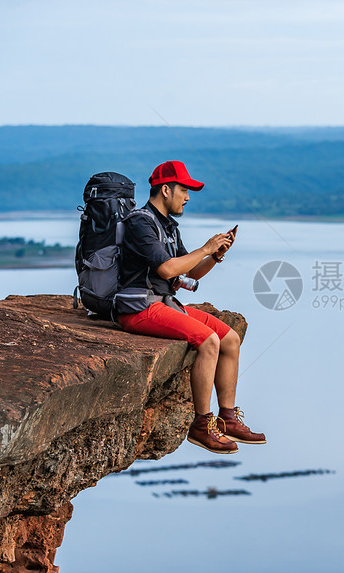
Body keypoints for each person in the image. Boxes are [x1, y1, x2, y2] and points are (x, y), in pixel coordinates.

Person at [118, 160, 265, 454]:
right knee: (208, 341)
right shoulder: (140, 223)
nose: (187, 197)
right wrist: (206, 247)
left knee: (229, 339)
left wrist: (214, 256)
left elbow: (189, 272)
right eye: (184, 190)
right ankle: (201, 425)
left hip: (164, 303)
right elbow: (166, 269)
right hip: (138, 307)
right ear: (165, 189)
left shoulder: (168, 226)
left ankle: (228, 418)